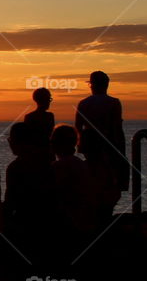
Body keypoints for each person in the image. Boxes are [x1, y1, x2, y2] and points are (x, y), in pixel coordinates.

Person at [75, 70, 128, 221]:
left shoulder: (84, 103)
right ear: (106, 84)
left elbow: (78, 126)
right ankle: (104, 215)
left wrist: (81, 144)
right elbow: (117, 128)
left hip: (89, 145)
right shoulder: (113, 102)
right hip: (109, 145)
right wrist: (121, 150)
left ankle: (95, 213)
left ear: (92, 85)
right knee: (110, 182)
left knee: (94, 180)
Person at [3, 122, 57, 242]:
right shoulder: (49, 163)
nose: (9, 143)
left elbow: (10, 201)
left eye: (11, 139)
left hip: (25, 224)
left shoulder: (16, 167)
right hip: (49, 222)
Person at [50, 125, 97, 235]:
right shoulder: (81, 164)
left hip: (70, 225)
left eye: (52, 140)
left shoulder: (59, 167)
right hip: (86, 222)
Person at [24, 87, 55, 152]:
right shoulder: (49, 116)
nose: (49, 102)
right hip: (46, 151)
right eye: (48, 99)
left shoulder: (29, 117)